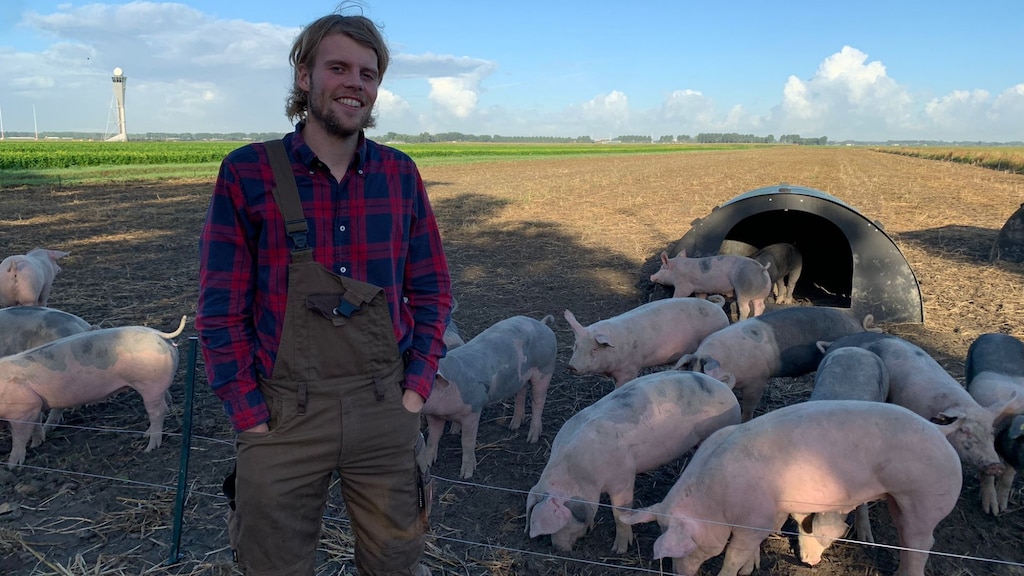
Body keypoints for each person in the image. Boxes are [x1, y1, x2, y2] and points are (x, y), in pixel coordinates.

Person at [196, 9, 452, 576]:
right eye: (338, 67)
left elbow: (433, 291)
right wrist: (250, 415)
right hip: (283, 415)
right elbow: (220, 308)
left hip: (385, 407)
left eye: (368, 72)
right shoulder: (247, 173)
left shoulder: (400, 175)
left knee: (395, 558)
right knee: (273, 563)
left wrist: (415, 390)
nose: (354, 83)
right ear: (304, 76)